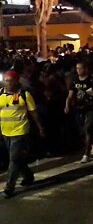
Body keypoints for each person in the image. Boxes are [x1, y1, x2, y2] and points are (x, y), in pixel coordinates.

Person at [0, 70, 45, 198]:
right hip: (5, 131)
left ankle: (9, 187)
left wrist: (40, 127)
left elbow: (33, 113)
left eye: (10, 81)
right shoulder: (1, 94)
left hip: (20, 131)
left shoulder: (25, 95)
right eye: (6, 80)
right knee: (16, 158)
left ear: (16, 81)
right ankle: (28, 176)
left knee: (13, 159)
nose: (7, 83)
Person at [65, 61, 93, 164]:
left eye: (80, 68)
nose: (78, 70)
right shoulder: (75, 80)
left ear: (86, 69)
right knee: (82, 131)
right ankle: (92, 142)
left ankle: (86, 153)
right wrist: (67, 105)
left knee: (88, 127)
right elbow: (70, 94)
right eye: (77, 68)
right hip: (79, 107)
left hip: (91, 107)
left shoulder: (92, 79)